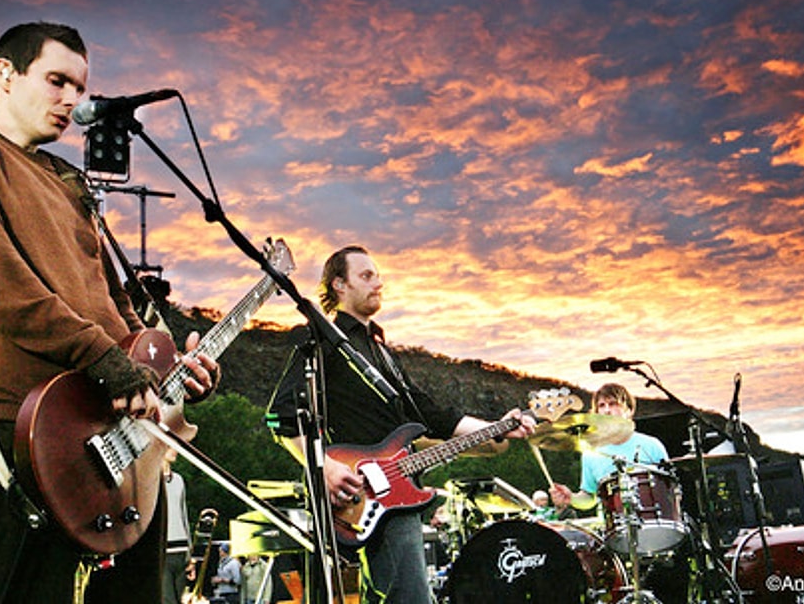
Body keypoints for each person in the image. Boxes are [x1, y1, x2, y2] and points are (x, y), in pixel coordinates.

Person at [0, 22, 219, 603]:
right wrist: (104, 358)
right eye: (57, 81)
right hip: (32, 430)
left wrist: (167, 371)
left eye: (80, 88)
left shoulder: (70, 180)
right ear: (6, 74)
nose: (72, 100)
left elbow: (119, 307)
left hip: (122, 438)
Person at [267, 245, 535, 603]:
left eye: (378, 276)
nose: (378, 283)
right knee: (409, 597)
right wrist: (324, 466)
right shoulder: (321, 340)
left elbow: (429, 415)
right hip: (356, 493)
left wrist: (498, 427)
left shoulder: (381, 351)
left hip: (397, 493)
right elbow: (282, 415)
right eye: (366, 276)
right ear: (339, 285)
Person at [549, 383, 685, 602]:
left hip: (656, 530)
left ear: (629, 410)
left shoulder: (652, 445)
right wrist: (570, 498)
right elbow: (589, 498)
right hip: (615, 535)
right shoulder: (591, 453)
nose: (607, 410)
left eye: (613, 404)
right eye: (601, 406)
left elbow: (670, 490)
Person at [163, 448, 192, 604]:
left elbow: (183, 514)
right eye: (170, 447)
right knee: (168, 599)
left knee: (183, 599)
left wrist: (190, 554)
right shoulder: (151, 481)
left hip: (181, 550)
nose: (175, 451)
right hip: (163, 551)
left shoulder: (179, 480)